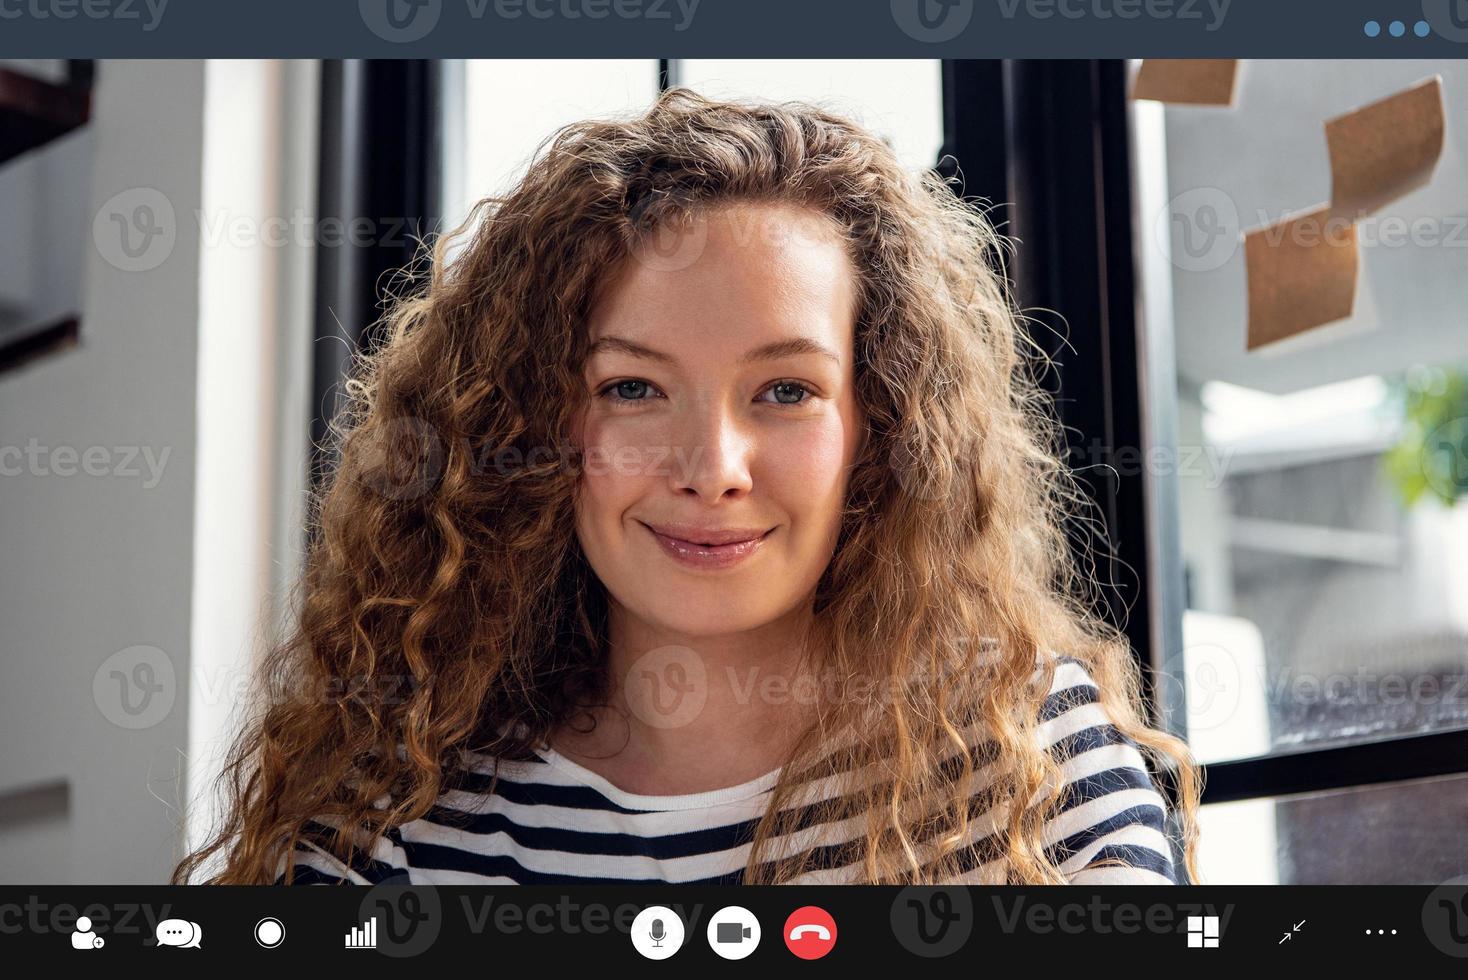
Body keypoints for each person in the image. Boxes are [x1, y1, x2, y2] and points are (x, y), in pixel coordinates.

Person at [175, 87, 1199, 886]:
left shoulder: (1029, 760)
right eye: (630, 387)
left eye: (786, 388)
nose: (712, 467)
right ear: (533, 427)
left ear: (876, 427)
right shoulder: (388, 827)